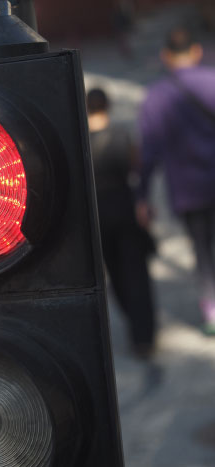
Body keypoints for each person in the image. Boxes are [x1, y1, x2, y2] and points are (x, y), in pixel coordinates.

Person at [138, 27, 215, 335]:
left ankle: (211, 310)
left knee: (202, 250)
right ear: (196, 51)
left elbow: (148, 154)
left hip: (188, 190)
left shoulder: (156, 98)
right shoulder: (212, 81)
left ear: (166, 56)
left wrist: (141, 196)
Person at [87, 88, 157, 357]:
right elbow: (137, 170)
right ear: (108, 106)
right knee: (137, 272)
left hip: (98, 216)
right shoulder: (122, 136)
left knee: (115, 274)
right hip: (125, 210)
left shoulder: (82, 142)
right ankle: (144, 335)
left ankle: (135, 324)